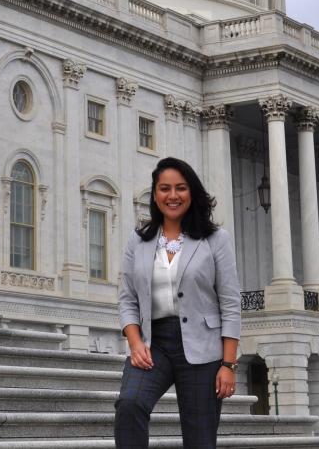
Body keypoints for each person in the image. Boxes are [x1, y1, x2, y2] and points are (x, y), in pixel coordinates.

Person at [114, 157, 241, 449]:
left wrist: (228, 364)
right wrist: (135, 343)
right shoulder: (139, 240)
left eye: (180, 188)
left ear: (191, 192)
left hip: (203, 349)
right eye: (165, 188)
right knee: (130, 404)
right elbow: (127, 299)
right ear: (155, 194)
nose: (173, 196)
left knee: (200, 439)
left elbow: (230, 302)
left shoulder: (215, 239)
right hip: (154, 344)